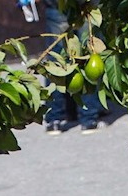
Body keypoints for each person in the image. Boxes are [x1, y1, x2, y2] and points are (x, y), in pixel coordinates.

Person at [37, 0, 104, 134]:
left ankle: (54, 118)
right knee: (88, 54)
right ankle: (88, 117)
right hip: (86, 4)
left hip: (57, 4)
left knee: (56, 61)